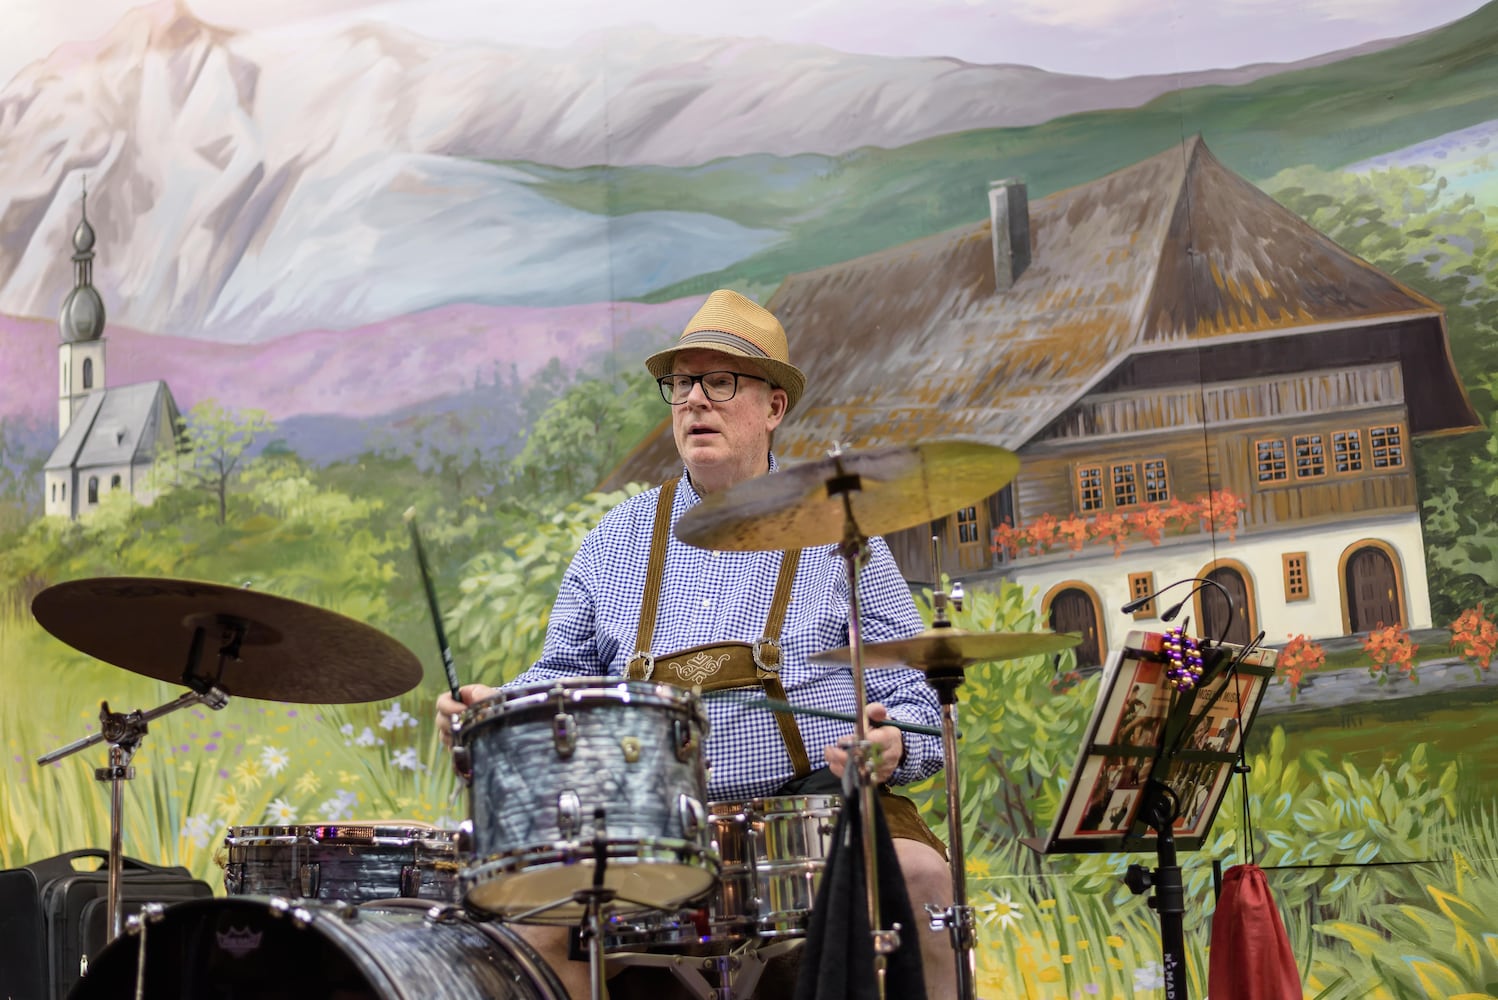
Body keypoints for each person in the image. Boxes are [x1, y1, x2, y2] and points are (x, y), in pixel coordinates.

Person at [437, 289, 954, 999]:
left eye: (720, 382)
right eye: (681, 384)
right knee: (535, 931)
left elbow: (916, 692)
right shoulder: (611, 542)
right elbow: (561, 678)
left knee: (923, 881)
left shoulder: (843, 533)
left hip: (817, 813)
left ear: (773, 407)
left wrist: (894, 741)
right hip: (650, 829)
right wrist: (493, 711)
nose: (694, 403)